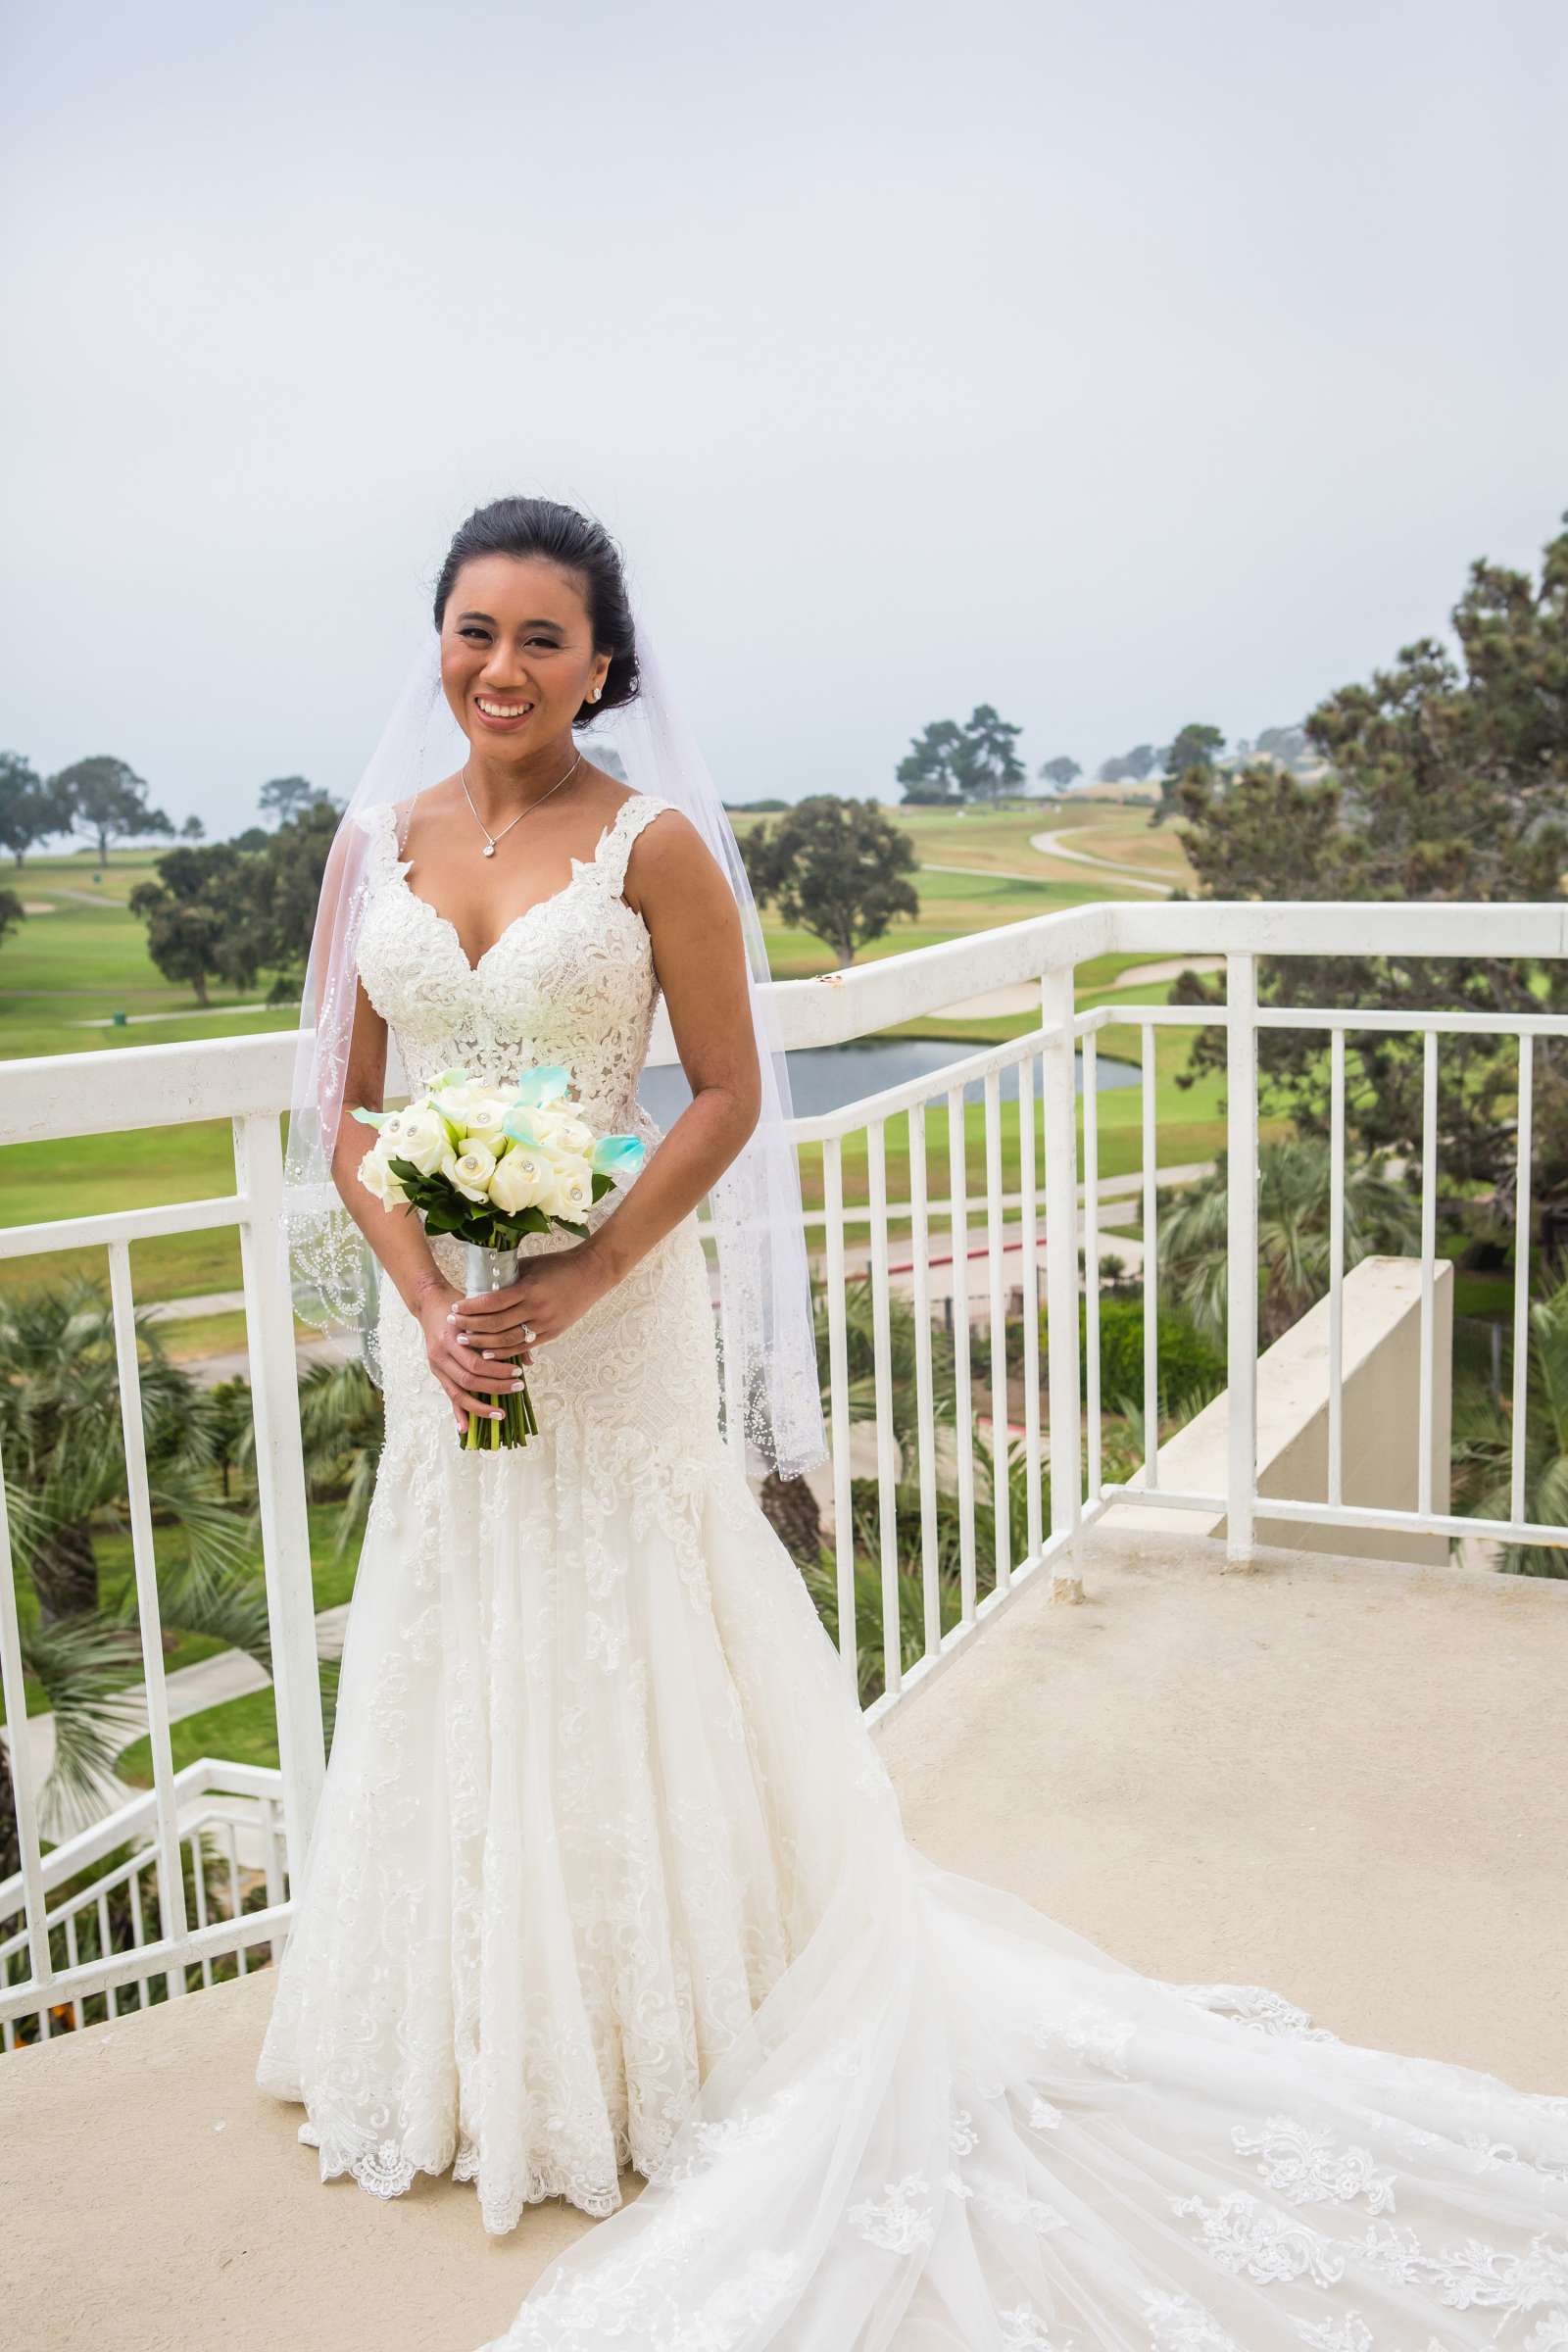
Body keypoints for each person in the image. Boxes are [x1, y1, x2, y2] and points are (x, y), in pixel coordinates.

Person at [256, 496, 1567, 2351]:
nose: (502, 668)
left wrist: (578, 1275)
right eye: (475, 630)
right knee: (468, 1631)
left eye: (545, 638)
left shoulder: (654, 846)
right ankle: (470, 2036)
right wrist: (434, 1299)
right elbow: (346, 1105)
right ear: (437, 641)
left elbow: (720, 1095)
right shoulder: (368, 848)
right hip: (445, 1337)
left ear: (604, 664)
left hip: (606, 1322)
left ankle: (653, 2034)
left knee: (629, 1637)